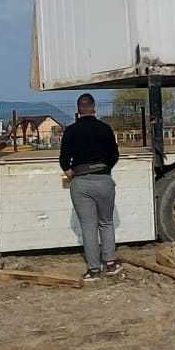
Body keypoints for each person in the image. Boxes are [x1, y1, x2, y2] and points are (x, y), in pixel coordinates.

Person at [59, 92, 120, 280]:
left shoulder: (70, 131)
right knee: (107, 223)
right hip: (103, 180)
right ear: (94, 108)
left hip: (81, 181)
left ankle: (94, 269)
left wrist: (71, 172)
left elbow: (63, 160)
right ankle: (110, 263)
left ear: (78, 110)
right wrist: (104, 169)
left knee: (88, 226)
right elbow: (114, 155)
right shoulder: (105, 129)